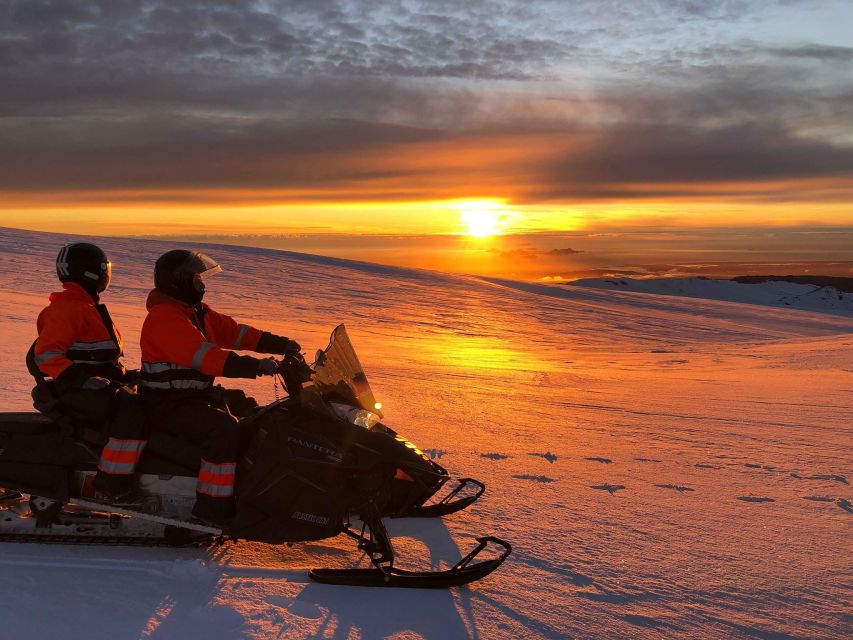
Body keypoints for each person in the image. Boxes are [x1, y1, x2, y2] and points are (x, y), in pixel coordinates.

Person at [139, 249, 301, 526]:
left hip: (191, 397)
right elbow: (206, 357)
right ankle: (211, 508)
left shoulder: (194, 312)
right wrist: (257, 367)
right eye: (196, 279)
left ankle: (249, 487)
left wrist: (280, 343)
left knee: (253, 412)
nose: (202, 285)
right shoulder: (165, 318)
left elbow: (234, 332)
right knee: (223, 429)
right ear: (178, 281)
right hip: (166, 403)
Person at [32, 243, 148, 502]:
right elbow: (47, 355)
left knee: (148, 398)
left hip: (97, 384)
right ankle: (112, 483)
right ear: (89, 273)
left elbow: (100, 358)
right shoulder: (66, 310)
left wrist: (130, 375)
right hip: (74, 389)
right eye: (104, 268)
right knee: (132, 409)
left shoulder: (88, 307)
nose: (107, 273)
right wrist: (84, 380)